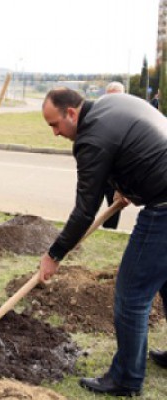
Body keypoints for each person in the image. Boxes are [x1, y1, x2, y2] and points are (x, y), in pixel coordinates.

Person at [39, 87, 167, 397]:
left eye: (55, 124)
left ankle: (125, 377)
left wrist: (54, 254)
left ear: (72, 113)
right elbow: (130, 149)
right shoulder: (110, 105)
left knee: (132, 294)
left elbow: (85, 210)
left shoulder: (90, 138)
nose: (55, 133)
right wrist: (129, 189)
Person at [100, 81, 126, 229]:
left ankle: (109, 230)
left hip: (116, 172)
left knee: (114, 204)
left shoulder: (128, 118)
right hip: (100, 168)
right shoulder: (100, 115)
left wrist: (121, 186)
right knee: (87, 204)